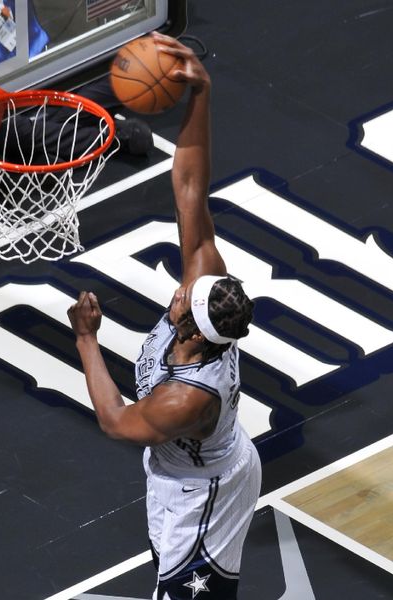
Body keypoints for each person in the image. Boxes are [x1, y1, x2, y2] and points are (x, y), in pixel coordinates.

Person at [66, 32, 260, 600]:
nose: (178, 293)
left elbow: (116, 421)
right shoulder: (205, 296)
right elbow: (189, 191)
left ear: (196, 329)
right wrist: (200, 96)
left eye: (184, 302)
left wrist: (86, 341)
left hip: (206, 494)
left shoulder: (188, 398)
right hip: (180, 473)